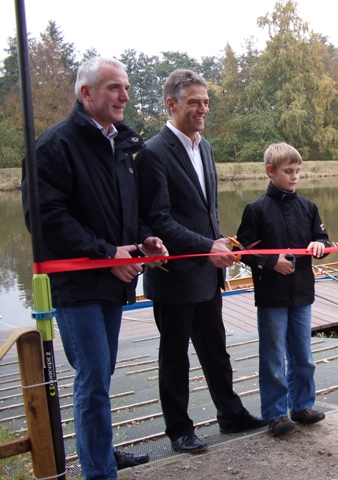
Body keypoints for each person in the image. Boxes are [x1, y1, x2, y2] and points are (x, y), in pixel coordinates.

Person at [22, 56, 166, 479]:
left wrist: (143, 240)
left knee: (101, 375)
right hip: (77, 284)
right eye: (114, 88)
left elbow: (127, 211)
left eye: (126, 88)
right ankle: (98, 471)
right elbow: (45, 218)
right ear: (86, 93)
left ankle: (99, 453)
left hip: (112, 280)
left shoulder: (121, 145)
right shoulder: (55, 145)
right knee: (92, 378)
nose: (125, 96)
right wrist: (107, 253)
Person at [136, 69, 266, 453]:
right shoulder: (152, 153)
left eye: (206, 101)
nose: (202, 108)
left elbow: (204, 210)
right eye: (194, 102)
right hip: (174, 275)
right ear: (171, 104)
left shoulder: (204, 147)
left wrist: (220, 239)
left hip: (208, 276)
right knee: (174, 358)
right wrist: (207, 246)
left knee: (216, 349)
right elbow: (159, 219)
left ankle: (230, 414)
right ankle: (179, 430)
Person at [235, 142, 330, 436]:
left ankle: (301, 405)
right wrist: (270, 262)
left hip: (302, 293)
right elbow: (243, 252)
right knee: (273, 356)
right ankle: (275, 414)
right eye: (288, 171)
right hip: (271, 297)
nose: (295, 177)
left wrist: (320, 246)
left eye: (298, 171)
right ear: (270, 171)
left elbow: (323, 240)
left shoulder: (309, 208)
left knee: (303, 354)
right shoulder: (256, 210)